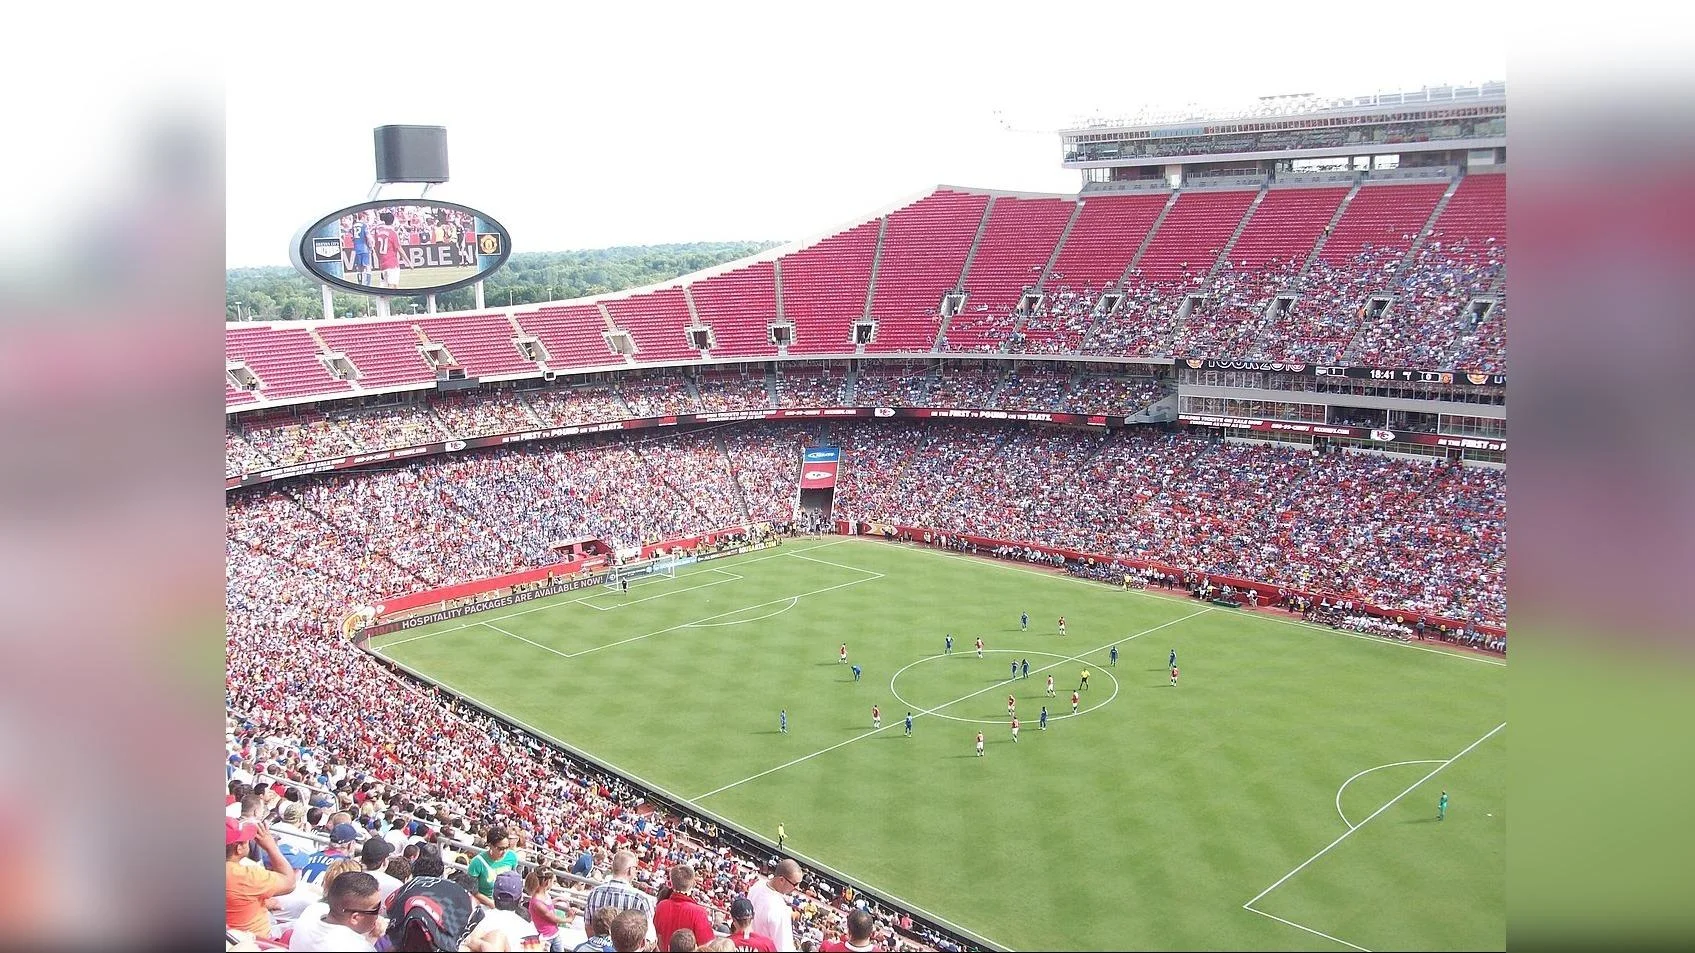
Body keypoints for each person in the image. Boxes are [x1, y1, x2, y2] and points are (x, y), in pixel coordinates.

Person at [226, 817, 299, 938]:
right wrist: (271, 846)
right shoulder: (247, 876)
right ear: (239, 848)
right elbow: (290, 883)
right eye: (246, 840)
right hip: (252, 942)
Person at [288, 871, 382, 951]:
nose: (381, 911)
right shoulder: (360, 948)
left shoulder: (312, 911)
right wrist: (374, 937)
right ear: (355, 918)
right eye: (376, 908)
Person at [582, 850, 655, 932]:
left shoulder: (594, 893)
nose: (636, 871)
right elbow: (649, 936)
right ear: (630, 870)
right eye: (635, 868)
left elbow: (588, 926)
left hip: (595, 944)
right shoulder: (641, 899)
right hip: (627, 944)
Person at [651, 864, 715, 948]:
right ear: (692, 884)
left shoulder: (661, 905)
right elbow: (706, 946)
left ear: (672, 883)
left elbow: (656, 937)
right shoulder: (699, 912)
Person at [747, 859, 803, 952]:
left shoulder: (757, 885)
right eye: (795, 884)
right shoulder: (779, 909)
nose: (798, 888)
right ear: (781, 880)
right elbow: (784, 948)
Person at [467, 826, 522, 909]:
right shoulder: (477, 862)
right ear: (490, 845)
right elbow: (472, 890)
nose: (504, 852)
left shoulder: (512, 857)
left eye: (507, 847)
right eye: (500, 849)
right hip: (484, 905)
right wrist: (491, 903)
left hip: (506, 905)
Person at [528, 868, 576, 953]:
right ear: (547, 882)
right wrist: (569, 919)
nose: (554, 883)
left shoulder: (544, 894)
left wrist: (555, 900)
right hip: (546, 938)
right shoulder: (537, 902)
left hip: (554, 934)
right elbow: (553, 918)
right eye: (553, 881)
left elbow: (546, 907)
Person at [369, 211, 402, 289]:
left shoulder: (378, 230)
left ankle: (382, 301)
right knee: (393, 286)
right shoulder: (392, 232)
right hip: (392, 262)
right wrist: (408, 261)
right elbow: (398, 247)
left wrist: (379, 259)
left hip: (383, 262)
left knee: (383, 286)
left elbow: (376, 246)